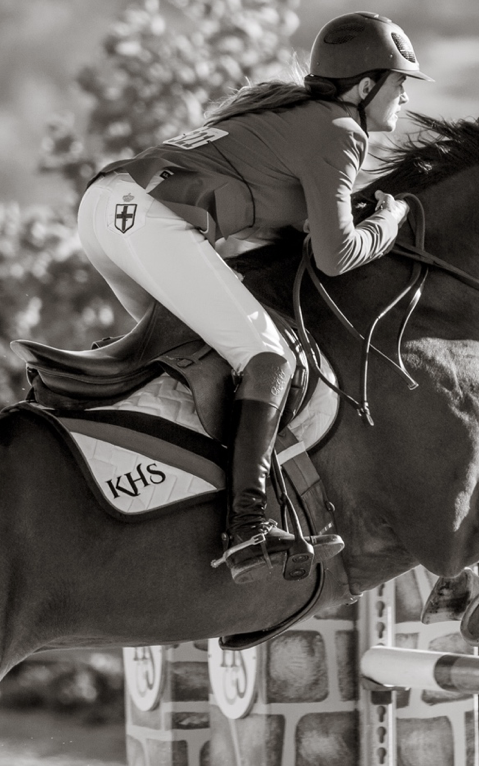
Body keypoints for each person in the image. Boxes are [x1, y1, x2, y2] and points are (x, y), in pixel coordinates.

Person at [76, 12, 432, 584]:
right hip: (144, 216)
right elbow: (336, 258)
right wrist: (391, 220)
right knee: (269, 357)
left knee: (195, 356)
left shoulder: (295, 115)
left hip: (105, 209)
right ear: (365, 87)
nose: (406, 93)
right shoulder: (342, 131)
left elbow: (297, 233)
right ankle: (247, 530)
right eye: (399, 80)